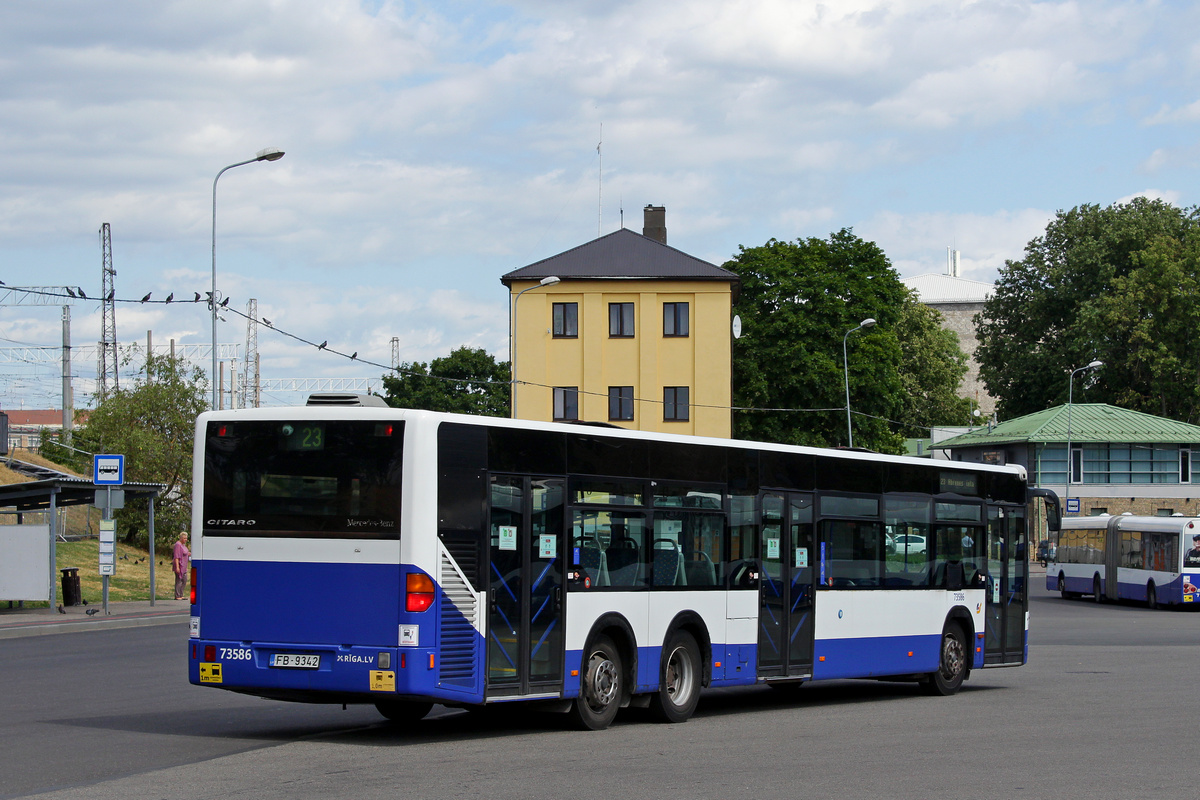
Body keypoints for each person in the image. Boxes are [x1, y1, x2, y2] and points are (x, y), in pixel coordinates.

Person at [172, 531, 191, 601]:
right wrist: (177, 567)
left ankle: (181, 594)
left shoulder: (183, 545)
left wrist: (188, 554)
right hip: (180, 565)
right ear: (180, 538)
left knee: (184, 580)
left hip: (184, 566)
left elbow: (184, 553)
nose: (185, 540)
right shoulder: (178, 545)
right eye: (184, 538)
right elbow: (176, 556)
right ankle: (177, 595)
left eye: (186, 538)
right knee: (179, 580)